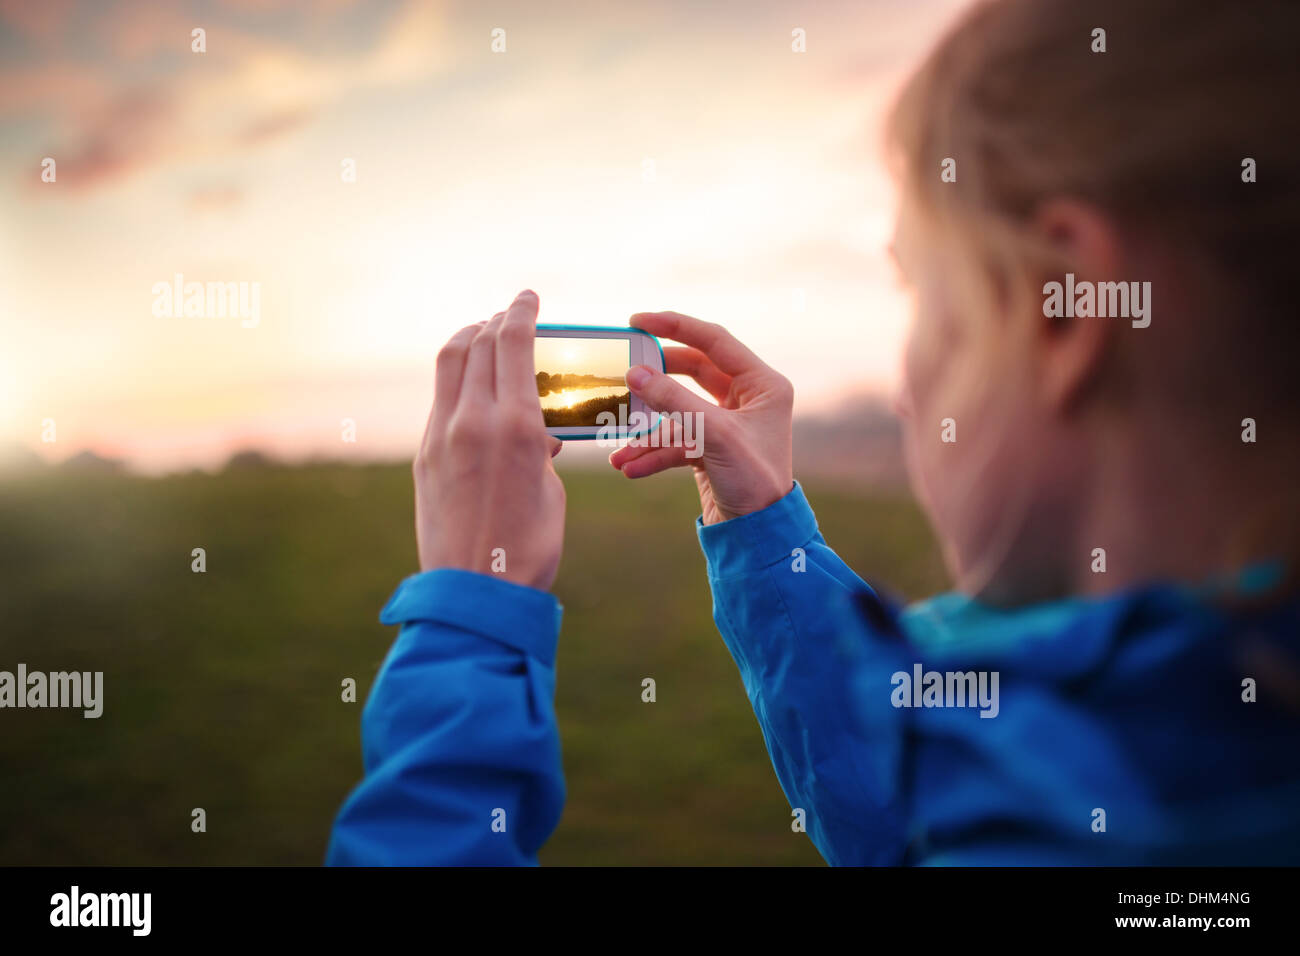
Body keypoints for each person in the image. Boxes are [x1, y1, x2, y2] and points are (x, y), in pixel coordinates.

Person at [328, 0, 1300, 865]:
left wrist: (468, 624)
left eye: (918, 287)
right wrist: (760, 525)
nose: (910, 387)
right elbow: (902, 827)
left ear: (1061, 308)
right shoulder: (1174, 765)